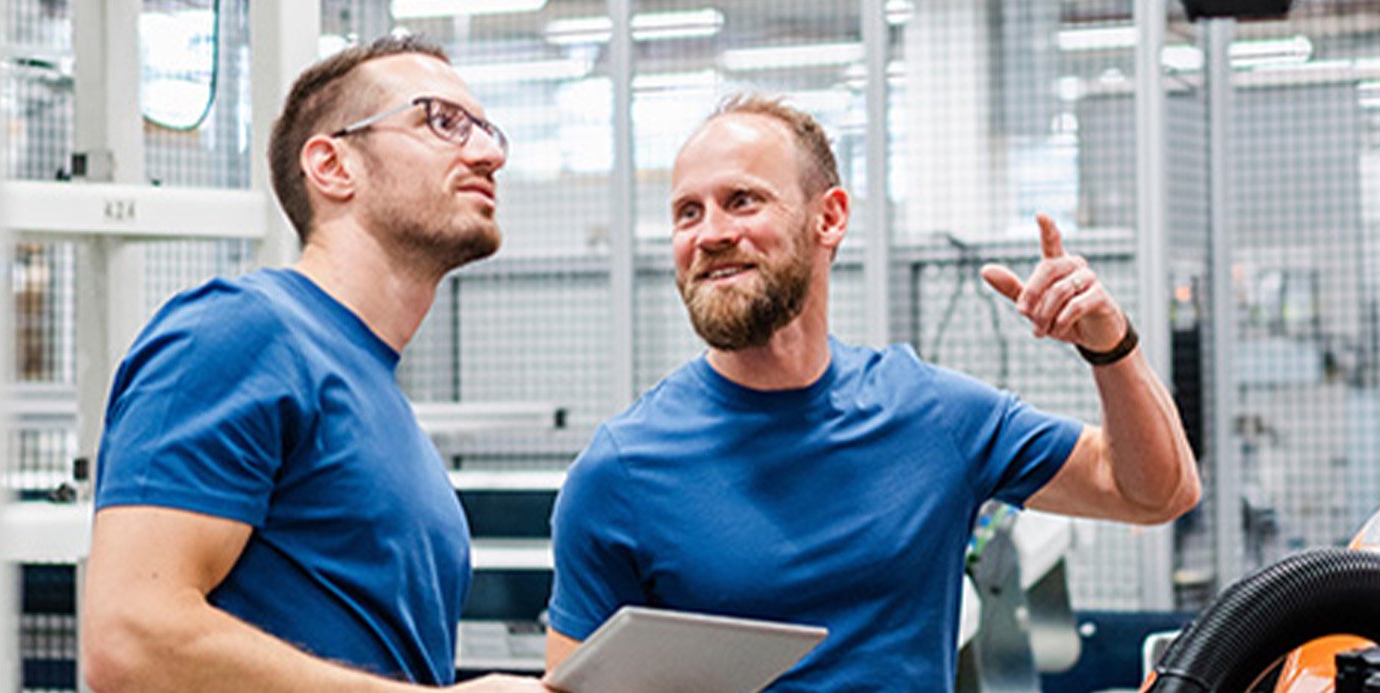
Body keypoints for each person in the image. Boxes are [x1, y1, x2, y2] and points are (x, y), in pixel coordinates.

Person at [544, 93, 1201, 691]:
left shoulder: (933, 416)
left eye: (742, 199)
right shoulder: (620, 472)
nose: (710, 232)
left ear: (828, 218)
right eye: (688, 211)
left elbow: (1155, 491)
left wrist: (1110, 344)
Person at [80, 36, 546, 692]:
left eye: (488, 131)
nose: (488, 153)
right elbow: (130, 637)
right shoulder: (243, 330)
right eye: (442, 121)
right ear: (332, 166)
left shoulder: (373, 387)